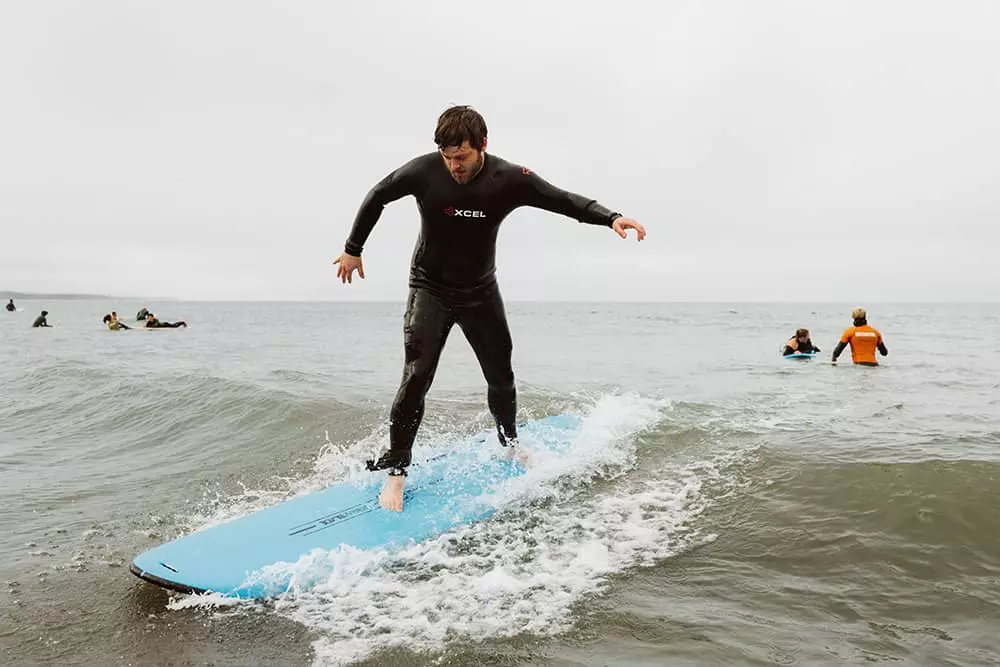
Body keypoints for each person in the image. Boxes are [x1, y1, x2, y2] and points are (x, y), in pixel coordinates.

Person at [333, 105, 647, 512]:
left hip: (480, 291)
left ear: (482, 145)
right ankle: (396, 473)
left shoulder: (509, 179)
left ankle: (510, 444)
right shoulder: (424, 172)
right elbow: (378, 194)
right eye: (447, 157)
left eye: (460, 157)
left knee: (501, 375)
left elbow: (561, 200)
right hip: (430, 288)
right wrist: (352, 249)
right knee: (417, 375)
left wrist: (612, 218)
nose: (453, 167)